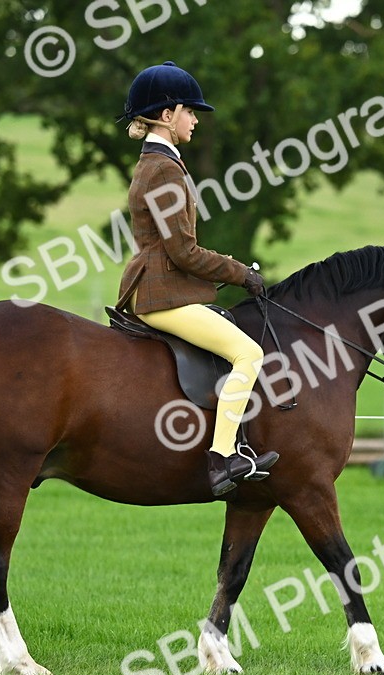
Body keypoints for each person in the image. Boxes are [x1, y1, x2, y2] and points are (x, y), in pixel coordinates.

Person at [115, 61, 278, 497]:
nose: (194, 121)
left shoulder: (158, 162)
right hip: (162, 295)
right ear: (167, 115)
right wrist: (242, 273)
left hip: (162, 288)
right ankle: (222, 457)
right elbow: (183, 251)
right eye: (190, 112)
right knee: (248, 353)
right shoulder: (163, 169)